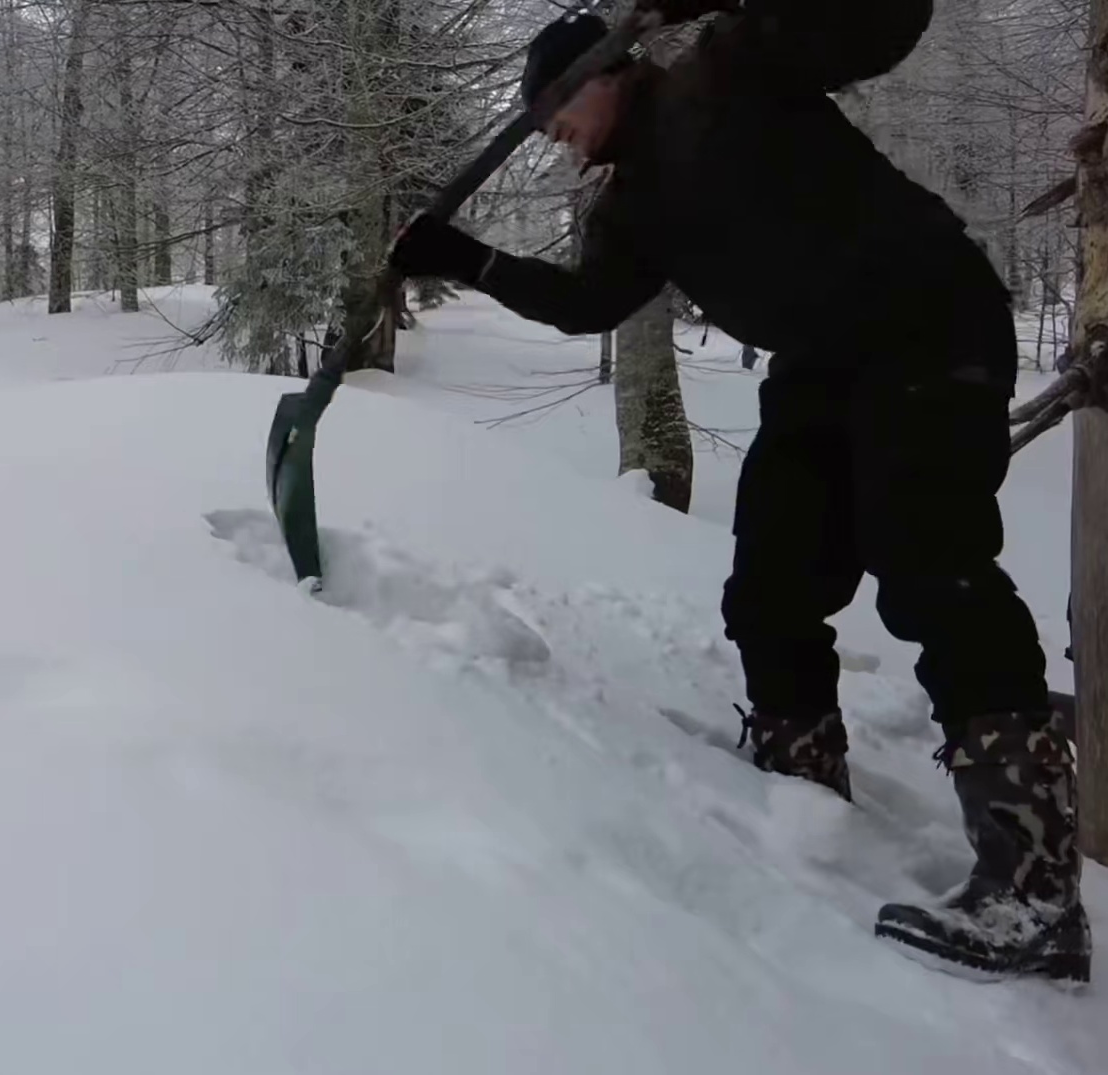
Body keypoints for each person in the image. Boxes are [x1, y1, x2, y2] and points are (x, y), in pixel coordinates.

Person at [389, 0, 1090, 984]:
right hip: (823, 360)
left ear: (605, 68)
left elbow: (885, 20)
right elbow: (589, 302)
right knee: (770, 582)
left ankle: (1035, 886)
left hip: (928, 323)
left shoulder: (731, 65)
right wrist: (470, 260)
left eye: (553, 108)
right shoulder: (631, 202)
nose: (551, 133)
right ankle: (801, 795)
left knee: (932, 568)